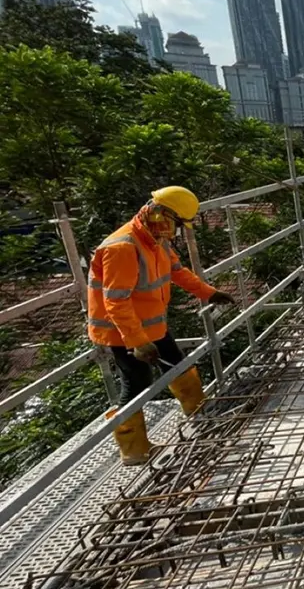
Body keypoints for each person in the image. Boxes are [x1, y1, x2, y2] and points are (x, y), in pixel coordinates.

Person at [87, 186, 235, 465]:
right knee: (137, 384)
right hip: (121, 332)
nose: (176, 231)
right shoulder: (122, 247)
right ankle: (134, 450)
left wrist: (208, 292)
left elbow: (177, 272)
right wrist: (136, 341)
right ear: (159, 214)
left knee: (178, 365)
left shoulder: (156, 239)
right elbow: (116, 302)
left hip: (150, 325)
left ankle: (199, 413)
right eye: (177, 223)